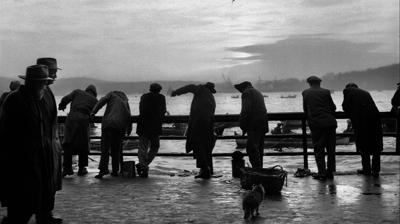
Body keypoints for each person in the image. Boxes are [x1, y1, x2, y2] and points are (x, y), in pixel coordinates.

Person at [0, 65, 59, 224]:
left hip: (38, 162)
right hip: (21, 164)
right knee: (20, 208)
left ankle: (43, 217)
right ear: (33, 83)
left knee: (35, 201)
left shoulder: (39, 99)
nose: (45, 87)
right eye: (42, 84)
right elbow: (6, 135)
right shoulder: (15, 100)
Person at [36, 57, 63, 223]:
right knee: (44, 181)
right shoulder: (40, 93)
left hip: (50, 144)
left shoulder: (47, 92)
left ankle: (46, 213)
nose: (55, 75)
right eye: (53, 72)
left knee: (50, 181)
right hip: (44, 144)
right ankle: (43, 214)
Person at [171, 82, 217, 179]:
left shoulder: (201, 89)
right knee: (204, 147)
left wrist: (176, 92)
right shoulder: (210, 97)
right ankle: (205, 169)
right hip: (208, 125)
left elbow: (190, 87)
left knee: (198, 145)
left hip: (198, 124)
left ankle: (205, 170)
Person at [342, 83, 383, 177]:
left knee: (364, 147)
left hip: (362, 123)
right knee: (376, 148)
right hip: (375, 121)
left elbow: (345, 106)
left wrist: (351, 114)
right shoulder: (366, 92)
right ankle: (376, 170)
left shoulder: (347, 91)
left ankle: (367, 170)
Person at [58, 85, 98, 177]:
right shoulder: (95, 100)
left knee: (68, 143)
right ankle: (81, 169)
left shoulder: (77, 92)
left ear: (86, 90)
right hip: (84, 120)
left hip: (72, 118)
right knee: (83, 145)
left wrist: (62, 105)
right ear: (94, 93)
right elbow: (93, 113)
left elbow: (65, 99)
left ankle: (67, 169)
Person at [91, 91, 132, 178]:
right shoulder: (125, 100)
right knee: (116, 149)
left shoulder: (111, 94)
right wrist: (129, 129)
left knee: (105, 149)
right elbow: (129, 115)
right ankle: (115, 171)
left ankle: (102, 171)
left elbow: (101, 101)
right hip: (119, 127)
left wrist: (93, 112)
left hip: (108, 124)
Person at [302, 76, 337, 180]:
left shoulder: (305, 93)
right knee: (331, 150)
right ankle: (330, 172)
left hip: (316, 125)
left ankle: (321, 173)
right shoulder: (326, 92)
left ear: (309, 83)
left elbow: (305, 109)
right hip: (330, 124)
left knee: (319, 149)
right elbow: (333, 107)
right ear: (319, 83)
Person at [234, 81, 268, 169]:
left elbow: (246, 110)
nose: (240, 92)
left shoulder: (246, 93)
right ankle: (260, 170)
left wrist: (243, 125)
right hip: (263, 124)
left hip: (254, 125)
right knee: (259, 150)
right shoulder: (258, 92)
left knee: (251, 149)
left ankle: (257, 170)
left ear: (243, 88)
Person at [136, 83, 167, 178]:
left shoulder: (144, 97)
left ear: (150, 89)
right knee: (155, 146)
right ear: (159, 90)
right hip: (155, 126)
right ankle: (144, 165)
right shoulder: (161, 97)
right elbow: (163, 111)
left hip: (143, 125)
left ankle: (143, 166)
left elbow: (141, 109)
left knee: (142, 148)